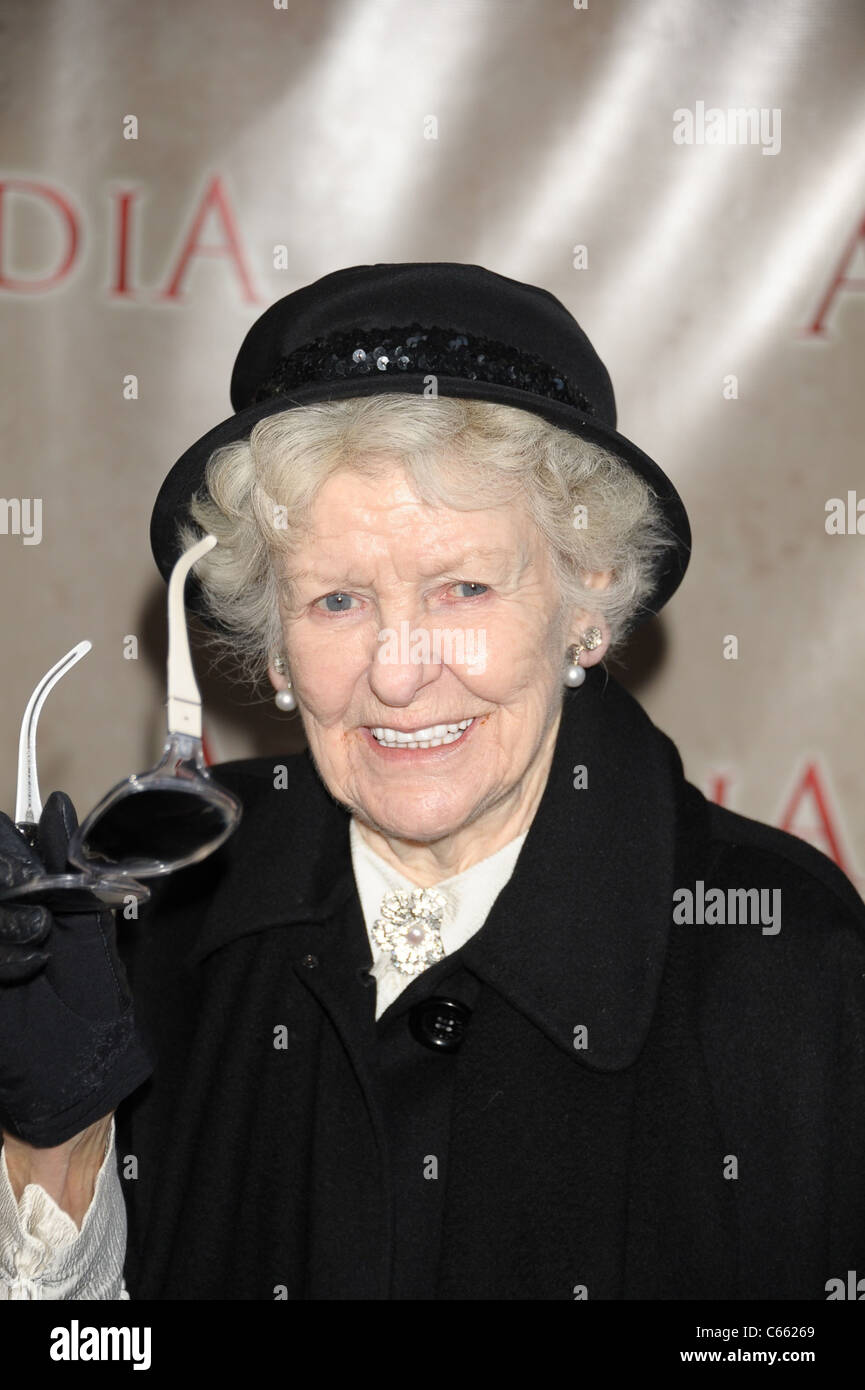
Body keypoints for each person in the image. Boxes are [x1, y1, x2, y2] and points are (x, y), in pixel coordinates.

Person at [1, 262, 863, 1301]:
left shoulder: (782, 957)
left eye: (463, 586)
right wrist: (56, 1144)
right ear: (273, 650)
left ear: (586, 603)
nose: (399, 672)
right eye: (335, 602)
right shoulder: (156, 929)